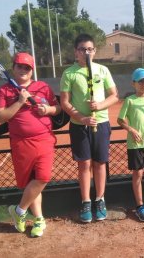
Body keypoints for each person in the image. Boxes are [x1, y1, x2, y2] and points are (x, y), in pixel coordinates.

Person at [0, 52, 60, 237]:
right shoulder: (5, 91)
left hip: (44, 139)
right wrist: (19, 102)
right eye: (19, 66)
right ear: (13, 68)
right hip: (21, 143)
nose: (23, 70)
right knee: (32, 181)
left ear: (32, 71)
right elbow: (0, 117)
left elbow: (58, 109)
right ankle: (39, 219)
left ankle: (18, 211)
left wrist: (47, 109)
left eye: (27, 67)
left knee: (43, 177)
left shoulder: (42, 87)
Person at [60, 33, 119, 223]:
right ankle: (86, 202)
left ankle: (99, 200)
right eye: (82, 49)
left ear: (94, 51)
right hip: (80, 126)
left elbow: (114, 96)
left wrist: (99, 106)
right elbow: (65, 102)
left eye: (90, 49)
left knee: (100, 164)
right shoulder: (69, 73)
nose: (86, 52)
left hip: (101, 123)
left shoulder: (103, 70)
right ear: (76, 52)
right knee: (84, 165)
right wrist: (82, 118)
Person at [117, 68, 144, 222]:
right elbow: (120, 120)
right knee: (138, 174)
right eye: (140, 81)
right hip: (135, 145)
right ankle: (140, 206)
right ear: (133, 84)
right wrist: (131, 129)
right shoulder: (130, 100)